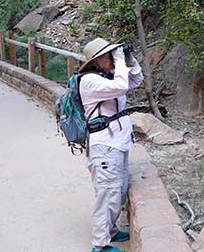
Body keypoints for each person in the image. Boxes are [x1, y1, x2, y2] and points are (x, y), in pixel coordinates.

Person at [78, 37, 143, 252]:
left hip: (117, 143)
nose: (114, 59)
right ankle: (100, 245)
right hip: (104, 146)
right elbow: (122, 85)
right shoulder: (89, 81)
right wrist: (119, 59)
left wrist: (128, 58)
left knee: (118, 191)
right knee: (106, 194)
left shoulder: (106, 76)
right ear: (97, 61)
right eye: (109, 55)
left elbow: (136, 80)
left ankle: (111, 231)